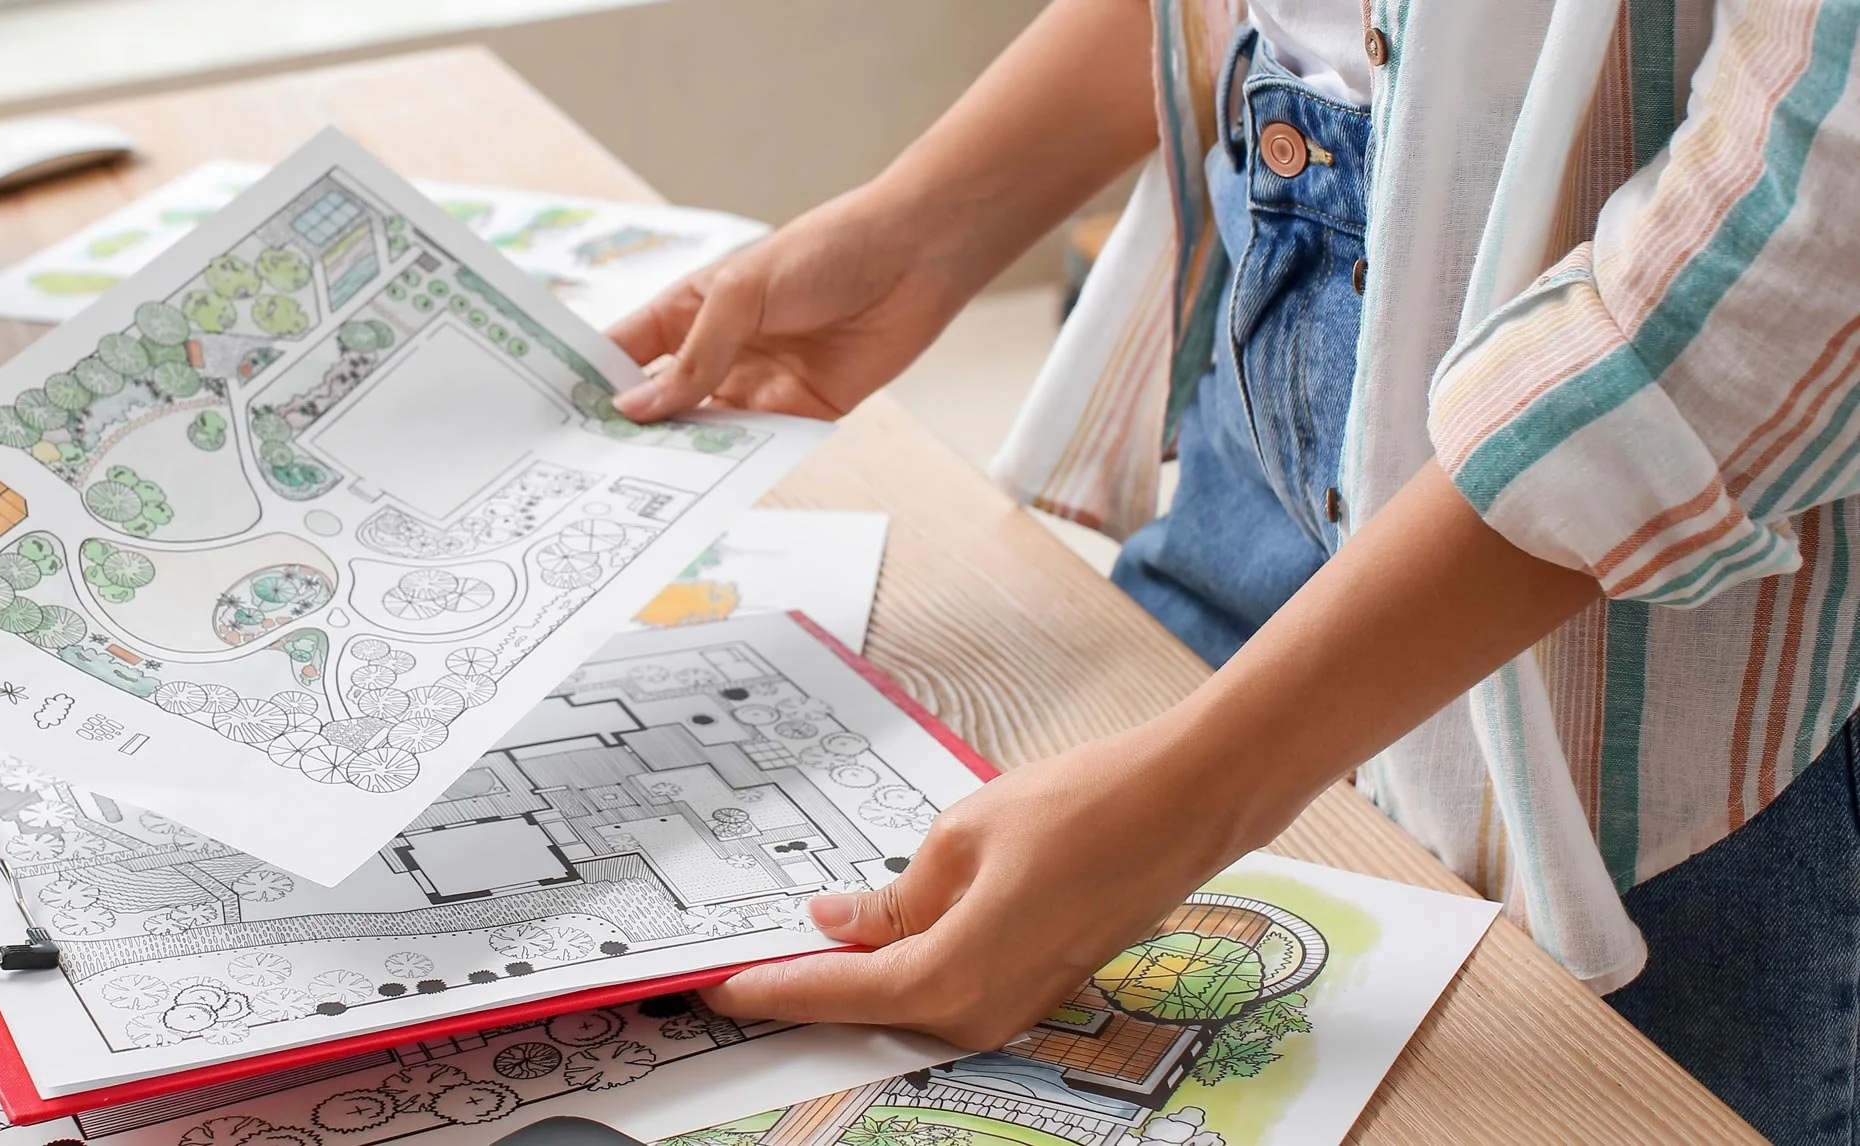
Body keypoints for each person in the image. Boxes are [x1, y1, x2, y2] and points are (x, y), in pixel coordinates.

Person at [605, 0, 1860, 1140]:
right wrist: (918, 228)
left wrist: (1188, 804)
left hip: (1623, 683)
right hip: (1244, 481)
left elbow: (1794, 257)